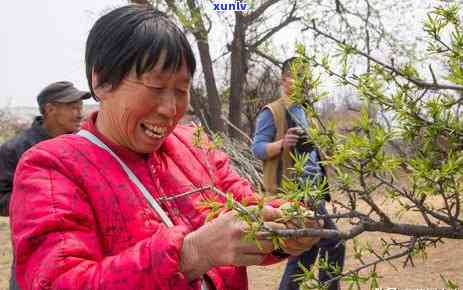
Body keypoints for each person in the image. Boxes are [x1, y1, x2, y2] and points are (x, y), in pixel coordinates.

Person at [9, 5, 320, 290]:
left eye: (182, 90)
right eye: (156, 88)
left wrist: (286, 224)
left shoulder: (194, 145)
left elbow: (243, 204)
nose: (171, 109)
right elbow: (57, 281)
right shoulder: (51, 167)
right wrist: (191, 254)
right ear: (102, 81)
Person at [252, 57, 346, 290]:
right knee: (331, 242)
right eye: (298, 76)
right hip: (293, 192)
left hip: (312, 192)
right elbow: (257, 148)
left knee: (307, 248)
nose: (304, 82)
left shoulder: (304, 111)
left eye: (307, 76)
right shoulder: (272, 112)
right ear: (285, 80)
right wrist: (282, 143)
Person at [0, 81, 90, 290]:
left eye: (80, 107)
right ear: (50, 109)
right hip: (36, 249)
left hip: (82, 248)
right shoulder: (15, 150)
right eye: (73, 107)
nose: (80, 114)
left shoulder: (83, 145)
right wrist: (42, 202)